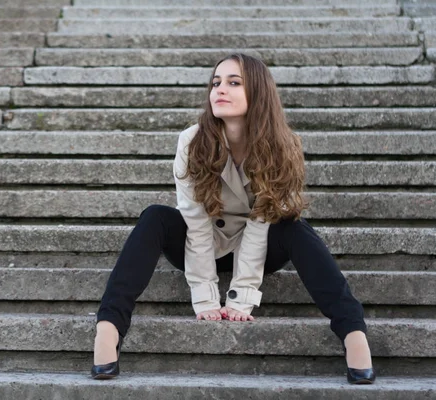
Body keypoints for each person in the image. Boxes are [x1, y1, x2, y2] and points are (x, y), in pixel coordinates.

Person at [91, 53, 375, 384]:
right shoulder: (192, 142)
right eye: (216, 83)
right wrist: (206, 297)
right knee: (154, 217)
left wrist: (241, 296)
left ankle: (353, 331)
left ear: (258, 93)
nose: (219, 90)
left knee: (295, 226)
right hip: (203, 244)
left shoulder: (284, 146)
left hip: (258, 246)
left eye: (233, 82)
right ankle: (108, 327)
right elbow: (195, 223)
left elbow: (261, 222)